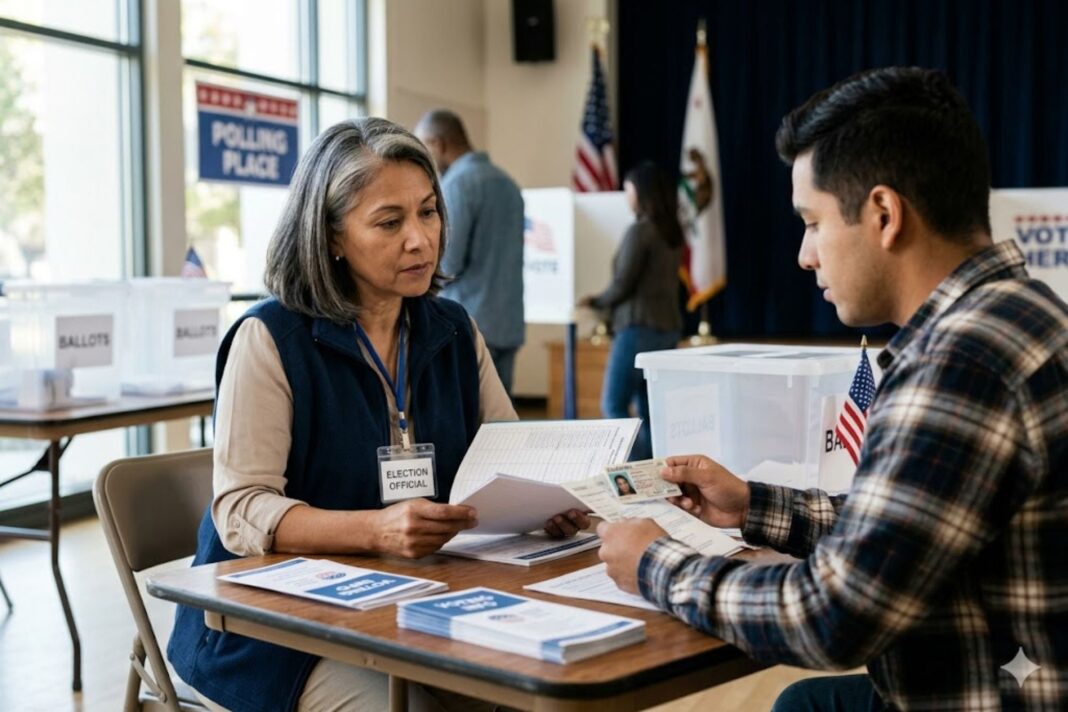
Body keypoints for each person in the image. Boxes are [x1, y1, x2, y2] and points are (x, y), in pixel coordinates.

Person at [598, 67, 1068, 710]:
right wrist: (752, 504)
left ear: (883, 213)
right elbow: (909, 525)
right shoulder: (1018, 312)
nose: (804, 254)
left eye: (812, 223)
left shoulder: (961, 362)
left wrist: (656, 563)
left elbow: (835, 618)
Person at [167, 118, 588, 712]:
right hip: (276, 637)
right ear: (332, 236)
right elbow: (241, 510)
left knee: (529, 691)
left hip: (416, 601)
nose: (419, 239)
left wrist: (545, 502)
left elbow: (506, 456)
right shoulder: (270, 339)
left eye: (429, 212)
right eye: (390, 222)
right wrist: (379, 530)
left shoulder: (453, 330)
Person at [414, 109, 525, 397]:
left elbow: (446, 263)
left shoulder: (457, 185)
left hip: (469, 324)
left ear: (437, 144)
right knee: (501, 431)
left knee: (468, 431)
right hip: (508, 323)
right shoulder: (508, 183)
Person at [579, 161, 683, 461]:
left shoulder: (640, 231)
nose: (625, 195)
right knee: (650, 409)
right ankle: (656, 474)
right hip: (667, 328)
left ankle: (634, 473)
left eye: (628, 189)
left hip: (638, 328)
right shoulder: (672, 233)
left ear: (641, 192)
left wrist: (595, 301)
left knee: (613, 403)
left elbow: (623, 283)